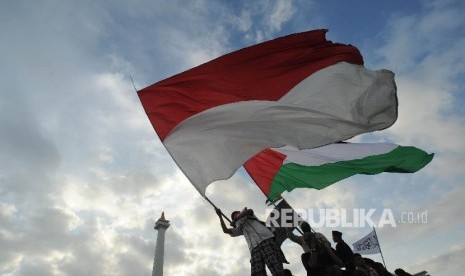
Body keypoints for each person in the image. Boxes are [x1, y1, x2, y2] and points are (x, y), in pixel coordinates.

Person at [216, 207, 286, 276]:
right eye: (235, 216)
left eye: (238, 213)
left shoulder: (250, 216)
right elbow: (225, 230)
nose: (237, 215)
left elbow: (248, 211)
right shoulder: (240, 228)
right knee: (257, 272)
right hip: (253, 249)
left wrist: (235, 220)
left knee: (275, 267)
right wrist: (220, 217)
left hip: (266, 240)